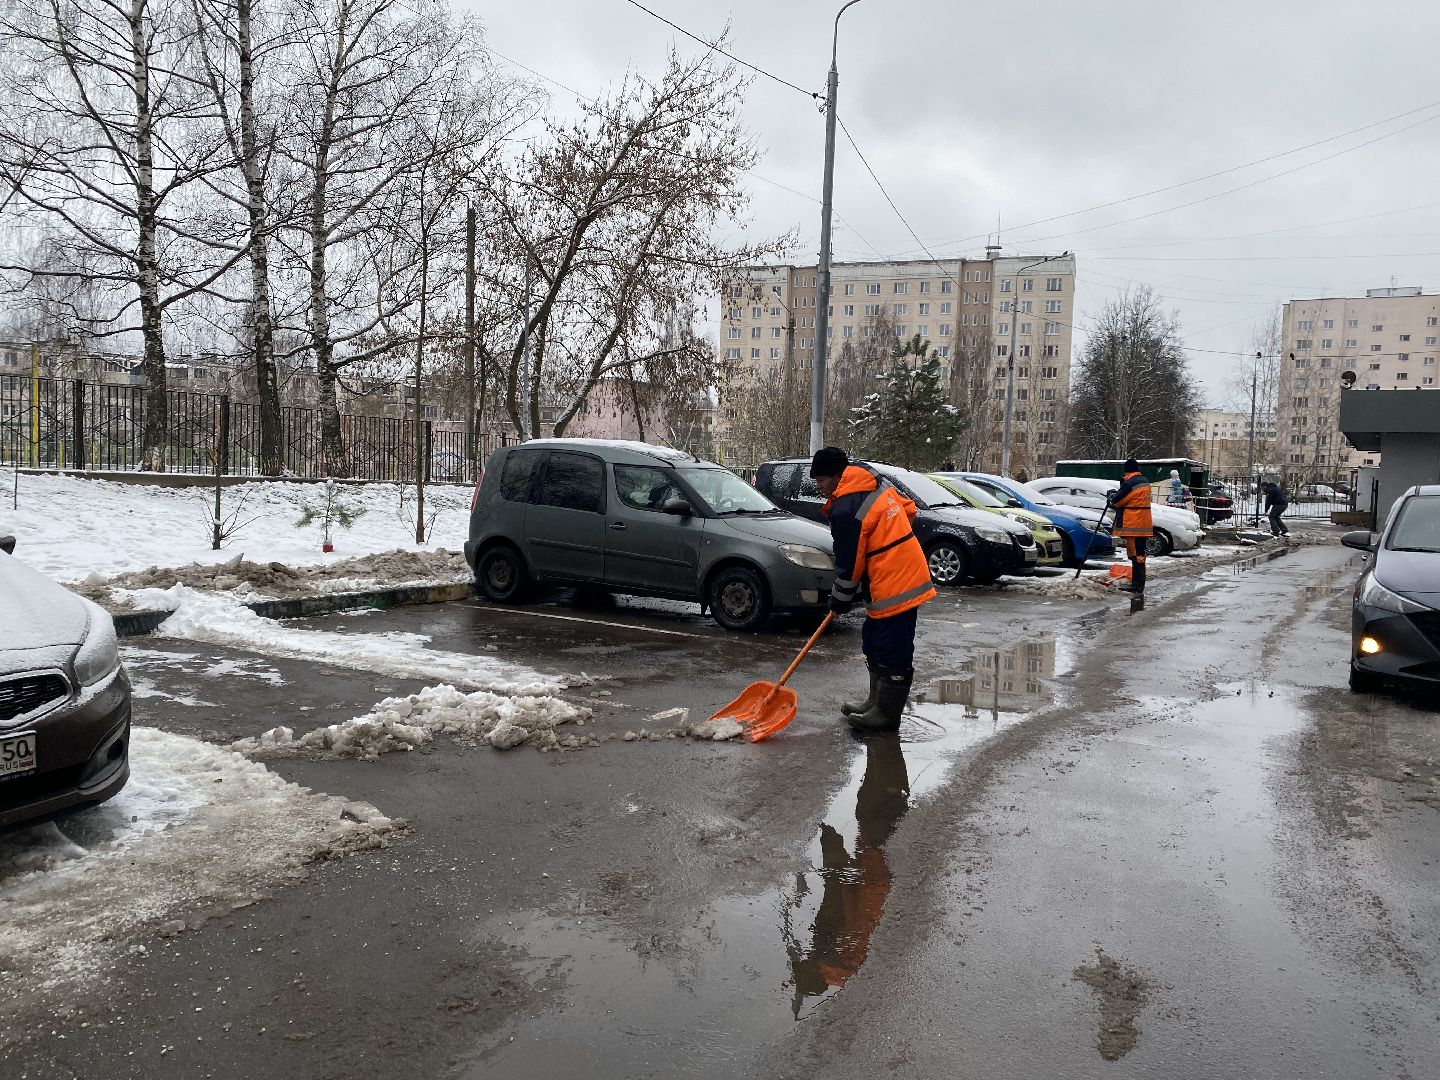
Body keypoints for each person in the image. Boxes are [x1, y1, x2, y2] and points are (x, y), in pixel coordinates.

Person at [809, 447, 936, 732]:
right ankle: (875, 702)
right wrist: (887, 545)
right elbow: (909, 509)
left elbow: (849, 564)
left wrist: (839, 602)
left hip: (896, 583)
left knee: (893, 647)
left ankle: (887, 715)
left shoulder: (846, 508)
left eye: (821, 478)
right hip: (895, 573)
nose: (817, 484)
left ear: (836, 476)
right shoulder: (872, 482)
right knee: (874, 639)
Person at [1106, 457, 1153, 594]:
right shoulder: (1144, 481)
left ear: (1126, 470)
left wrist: (1112, 496)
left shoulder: (1130, 482)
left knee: (1135, 554)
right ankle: (1138, 583)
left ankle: (1137, 585)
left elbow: (1118, 501)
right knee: (1140, 554)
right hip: (1143, 523)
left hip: (1133, 524)